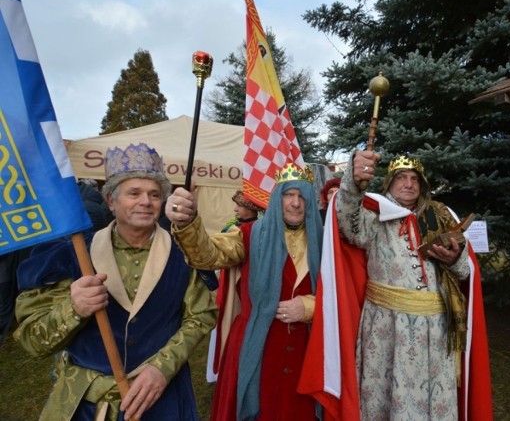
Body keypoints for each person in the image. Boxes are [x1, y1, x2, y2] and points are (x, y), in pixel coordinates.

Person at [13, 143, 217, 420]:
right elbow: (33, 342)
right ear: (110, 201)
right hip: (84, 405)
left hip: (159, 401)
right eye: (134, 193)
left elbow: (200, 316)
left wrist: (162, 367)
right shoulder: (71, 256)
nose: (146, 201)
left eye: (155, 194)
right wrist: (73, 309)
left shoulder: (182, 255)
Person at [165, 163, 323, 421]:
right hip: (255, 348)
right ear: (276, 199)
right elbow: (208, 255)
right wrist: (189, 222)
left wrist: (310, 307)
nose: (296, 203)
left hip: (307, 351)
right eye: (288, 195)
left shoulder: (325, 242)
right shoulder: (248, 235)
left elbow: (343, 295)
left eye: (302, 195)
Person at [334, 150, 474, 420]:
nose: (409, 184)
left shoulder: (441, 216)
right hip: (386, 326)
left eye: (414, 179)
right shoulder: (373, 216)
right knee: (384, 396)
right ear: (389, 183)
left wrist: (455, 257)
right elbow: (346, 222)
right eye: (401, 178)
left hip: (435, 329)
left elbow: (465, 271)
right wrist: (354, 180)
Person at [206, 189, 263, 383]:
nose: (235, 209)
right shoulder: (233, 226)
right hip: (230, 280)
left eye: (240, 205)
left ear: (251, 207)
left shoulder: (258, 229)